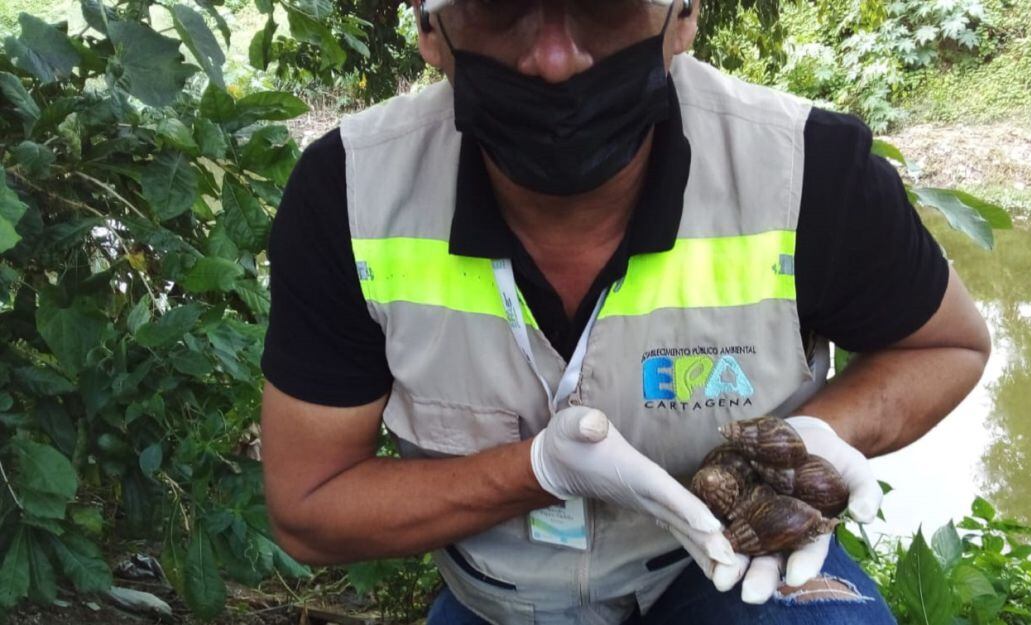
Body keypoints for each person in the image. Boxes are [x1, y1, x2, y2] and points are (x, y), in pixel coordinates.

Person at [258, 0, 991, 623]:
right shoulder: (350, 194)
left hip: (725, 570)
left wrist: (818, 433)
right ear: (430, 30)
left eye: (604, 6)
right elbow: (309, 505)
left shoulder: (807, 170)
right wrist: (540, 469)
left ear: (684, 17)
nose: (555, 59)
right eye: (502, 6)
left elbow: (946, 346)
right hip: (497, 600)